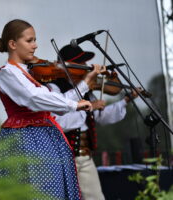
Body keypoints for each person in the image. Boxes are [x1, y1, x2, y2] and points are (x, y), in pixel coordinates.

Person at [0, 19, 105, 200]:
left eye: (35, 40)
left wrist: (84, 85)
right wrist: (74, 105)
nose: (35, 46)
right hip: (25, 139)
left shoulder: (29, 73)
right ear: (12, 44)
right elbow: (34, 98)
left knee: (53, 192)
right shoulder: (8, 73)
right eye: (29, 41)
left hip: (46, 138)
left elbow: (56, 103)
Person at [48, 44, 139, 200]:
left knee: (96, 197)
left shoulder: (85, 89)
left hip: (85, 156)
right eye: (80, 64)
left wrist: (125, 100)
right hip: (63, 159)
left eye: (85, 63)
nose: (85, 67)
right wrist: (87, 108)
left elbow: (100, 117)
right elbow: (58, 121)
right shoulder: (53, 87)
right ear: (66, 66)